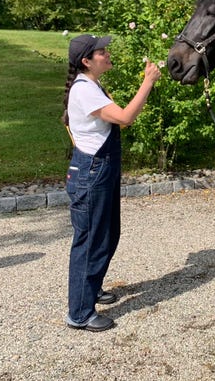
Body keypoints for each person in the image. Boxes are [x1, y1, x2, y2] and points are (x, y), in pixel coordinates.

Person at [61, 33, 161, 332]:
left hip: (98, 171)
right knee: (91, 241)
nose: (107, 54)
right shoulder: (84, 91)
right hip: (91, 173)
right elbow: (126, 117)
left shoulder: (91, 86)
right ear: (86, 61)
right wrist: (148, 82)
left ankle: (90, 289)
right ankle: (79, 312)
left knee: (107, 235)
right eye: (101, 52)